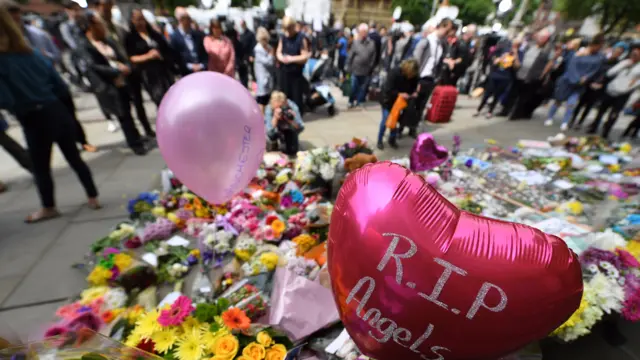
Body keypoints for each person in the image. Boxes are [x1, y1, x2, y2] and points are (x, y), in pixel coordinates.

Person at [0, 7, 100, 222]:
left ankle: (49, 206)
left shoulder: (3, 61)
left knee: (41, 166)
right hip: (55, 108)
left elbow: (6, 99)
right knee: (73, 156)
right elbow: (60, 86)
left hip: (32, 116)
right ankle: (92, 196)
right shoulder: (32, 53)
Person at [3, 0, 97, 153]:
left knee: (68, 117)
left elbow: (56, 55)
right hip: (30, 98)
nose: (15, 22)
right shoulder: (6, 49)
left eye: (17, 17)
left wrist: (45, 58)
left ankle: (81, 141)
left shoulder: (37, 35)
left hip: (51, 87)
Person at [75, 11, 148, 155]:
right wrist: (116, 70)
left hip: (122, 83)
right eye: (97, 22)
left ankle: (136, 137)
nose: (101, 25)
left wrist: (125, 66)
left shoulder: (106, 41)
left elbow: (121, 56)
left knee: (127, 112)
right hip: (108, 86)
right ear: (89, 26)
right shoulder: (84, 46)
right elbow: (94, 66)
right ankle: (135, 143)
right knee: (123, 115)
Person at [544, 34, 605, 130]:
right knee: (558, 100)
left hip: (582, 82)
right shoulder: (579, 52)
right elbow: (571, 65)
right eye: (597, 46)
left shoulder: (599, 57)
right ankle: (549, 117)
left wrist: (586, 78)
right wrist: (577, 78)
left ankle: (565, 122)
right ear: (593, 45)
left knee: (572, 103)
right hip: (568, 79)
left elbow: (596, 70)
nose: (598, 49)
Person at [125, 8, 175, 108]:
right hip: (149, 75)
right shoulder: (130, 38)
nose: (141, 22)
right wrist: (148, 56)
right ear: (132, 21)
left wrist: (160, 55)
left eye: (142, 19)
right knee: (161, 101)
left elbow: (167, 50)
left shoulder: (154, 34)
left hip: (163, 71)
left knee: (173, 97)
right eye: (138, 19)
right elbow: (131, 58)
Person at [587, 44, 640, 139]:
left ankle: (606, 131)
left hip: (623, 94)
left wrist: (629, 87)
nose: (634, 56)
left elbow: (637, 82)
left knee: (614, 114)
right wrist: (623, 65)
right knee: (601, 110)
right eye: (633, 54)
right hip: (611, 90)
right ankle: (594, 126)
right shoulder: (625, 62)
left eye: (637, 54)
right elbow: (610, 73)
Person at [570, 41, 627, 129]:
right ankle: (572, 119)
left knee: (589, 105)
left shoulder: (618, 63)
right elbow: (594, 69)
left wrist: (602, 84)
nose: (617, 53)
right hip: (590, 82)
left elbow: (612, 76)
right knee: (581, 103)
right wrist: (590, 80)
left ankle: (580, 122)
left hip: (600, 86)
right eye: (617, 50)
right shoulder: (603, 58)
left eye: (620, 52)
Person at [412, 18, 453, 137]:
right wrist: (415, 79)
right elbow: (416, 60)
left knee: (421, 105)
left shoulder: (441, 44)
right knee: (413, 104)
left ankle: (413, 128)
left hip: (431, 78)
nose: (448, 34)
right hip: (421, 77)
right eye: (447, 31)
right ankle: (402, 128)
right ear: (442, 27)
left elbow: (438, 60)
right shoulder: (427, 41)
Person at [499, 29, 552, 120]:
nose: (541, 39)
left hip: (532, 76)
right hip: (519, 73)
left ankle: (515, 114)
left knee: (523, 97)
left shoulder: (547, 51)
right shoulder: (528, 46)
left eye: (543, 38)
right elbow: (518, 49)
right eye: (540, 36)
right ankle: (505, 110)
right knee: (512, 94)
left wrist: (543, 74)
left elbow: (550, 62)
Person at [377, 59, 419, 150]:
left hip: (400, 102)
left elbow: (413, 88)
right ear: (407, 70)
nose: (411, 76)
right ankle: (379, 140)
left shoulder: (414, 77)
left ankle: (392, 139)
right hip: (388, 100)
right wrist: (400, 94)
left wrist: (413, 93)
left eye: (413, 75)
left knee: (395, 121)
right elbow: (388, 89)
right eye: (410, 74)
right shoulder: (394, 73)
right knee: (386, 120)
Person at [473, 40, 518, 118]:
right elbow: (494, 62)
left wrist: (515, 54)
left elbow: (517, 67)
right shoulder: (497, 52)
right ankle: (479, 109)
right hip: (494, 76)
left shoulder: (514, 55)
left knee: (497, 95)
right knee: (487, 94)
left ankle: (490, 111)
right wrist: (503, 56)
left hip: (505, 78)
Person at [276, 16, 310, 114]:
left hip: (296, 74)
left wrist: (291, 59)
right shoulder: (283, 37)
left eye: (289, 28)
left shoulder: (300, 38)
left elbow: (304, 56)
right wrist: (282, 58)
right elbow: (278, 52)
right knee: (284, 97)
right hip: (284, 73)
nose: (288, 31)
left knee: (296, 97)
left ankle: (296, 118)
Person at [345, 23, 376, 109]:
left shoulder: (371, 43)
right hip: (355, 69)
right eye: (361, 32)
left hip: (366, 70)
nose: (363, 34)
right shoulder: (355, 43)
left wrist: (371, 66)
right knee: (354, 87)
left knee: (362, 88)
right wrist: (348, 67)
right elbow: (350, 56)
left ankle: (359, 101)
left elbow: (373, 56)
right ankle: (351, 101)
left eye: (364, 32)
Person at [264, 91, 304, 156]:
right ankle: (274, 144)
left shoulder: (292, 106)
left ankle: (289, 143)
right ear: (272, 103)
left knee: (293, 150)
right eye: (277, 107)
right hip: (275, 130)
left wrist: (291, 121)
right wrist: (275, 118)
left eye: (282, 106)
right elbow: (269, 132)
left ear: (286, 103)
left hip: (288, 128)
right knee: (270, 142)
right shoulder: (269, 109)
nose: (280, 109)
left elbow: (301, 127)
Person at [170, 8, 207, 75]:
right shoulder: (174, 37)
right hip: (186, 73)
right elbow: (175, 58)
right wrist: (190, 66)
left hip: (201, 71)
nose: (188, 21)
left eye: (189, 18)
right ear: (179, 20)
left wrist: (201, 65)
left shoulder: (197, 34)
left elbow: (203, 53)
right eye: (185, 18)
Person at [253, 27, 275, 113]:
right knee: (262, 99)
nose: (264, 41)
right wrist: (271, 55)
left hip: (269, 76)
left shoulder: (268, 47)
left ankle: (266, 118)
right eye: (262, 39)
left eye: (265, 39)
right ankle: (261, 119)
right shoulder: (258, 49)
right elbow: (267, 62)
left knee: (267, 98)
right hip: (262, 77)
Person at [239, 20, 256, 88]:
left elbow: (253, 45)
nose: (242, 26)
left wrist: (252, 55)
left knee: (252, 71)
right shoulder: (241, 34)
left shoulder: (250, 33)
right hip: (243, 56)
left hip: (249, 55)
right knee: (244, 72)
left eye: (243, 24)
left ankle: (254, 85)